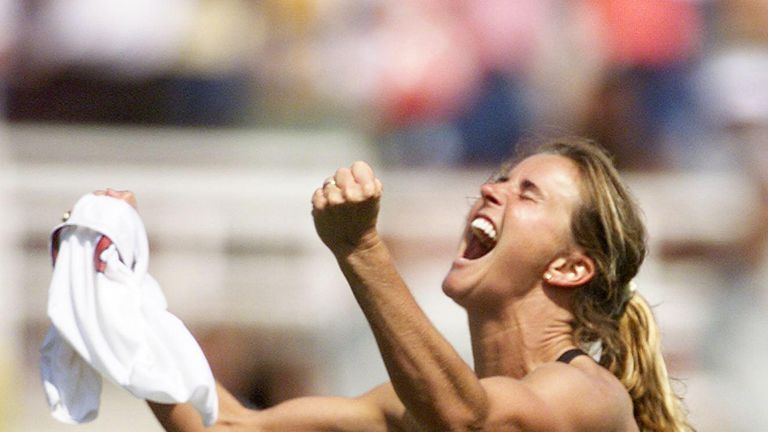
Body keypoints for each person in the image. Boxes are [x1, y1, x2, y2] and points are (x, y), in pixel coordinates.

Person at [121, 137, 691, 431]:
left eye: (528, 194)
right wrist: (121, 303)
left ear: (570, 268)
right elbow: (232, 424)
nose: (492, 191)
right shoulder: (415, 407)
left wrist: (361, 250)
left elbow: (470, 423)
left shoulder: (589, 396)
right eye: (501, 180)